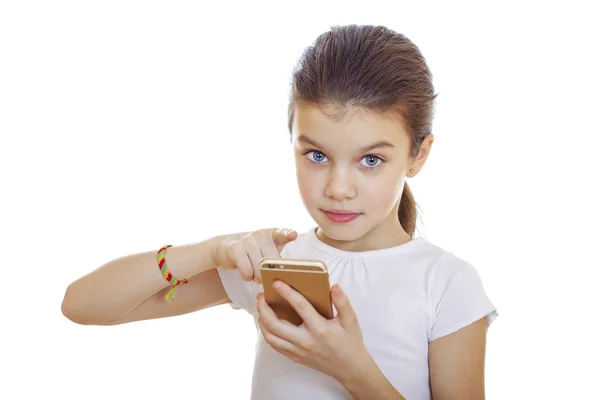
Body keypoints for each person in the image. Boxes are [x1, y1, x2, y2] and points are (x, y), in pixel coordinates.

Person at [62, 24, 498, 400]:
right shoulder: (277, 264)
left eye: (370, 160)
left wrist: (353, 370)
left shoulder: (446, 282)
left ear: (417, 156)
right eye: (316, 155)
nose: (338, 189)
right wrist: (211, 251)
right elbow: (82, 305)